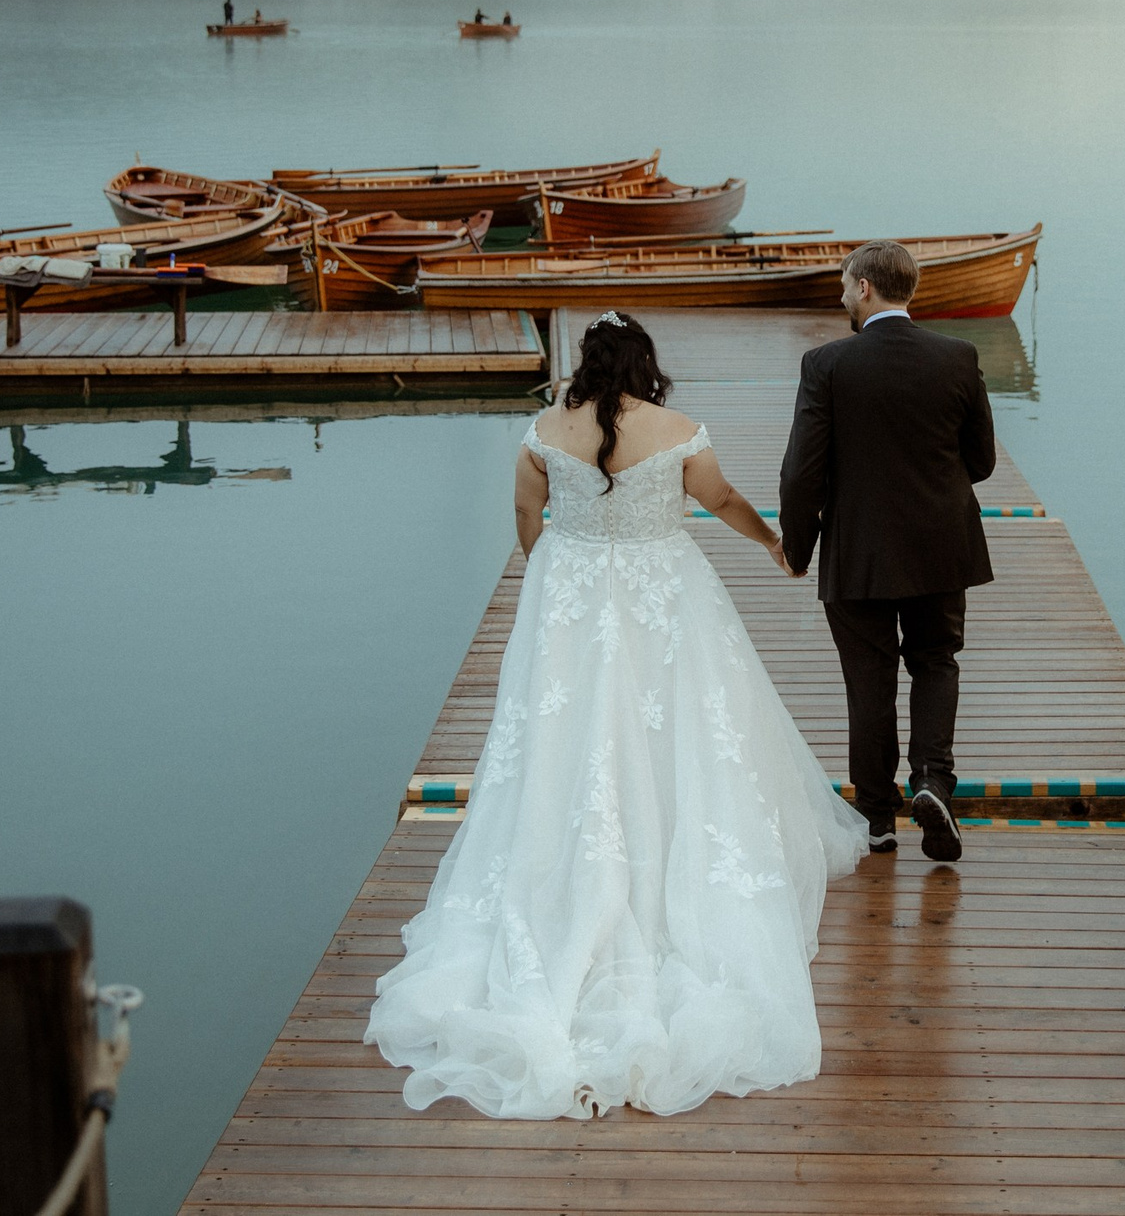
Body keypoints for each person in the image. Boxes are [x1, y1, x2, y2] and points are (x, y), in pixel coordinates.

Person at [366, 312, 864, 1119]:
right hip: (663, 594)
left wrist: (550, 571)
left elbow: (528, 518)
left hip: (570, 596)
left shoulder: (542, 429)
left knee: (569, 736)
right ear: (644, 364)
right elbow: (722, 497)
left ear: (586, 365)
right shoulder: (675, 429)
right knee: (684, 728)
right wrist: (774, 543)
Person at [777, 241, 995, 863]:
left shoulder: (827, 364)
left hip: (858, 551)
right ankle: (931, 781)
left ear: (866, 287)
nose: (843, 296)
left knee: (868, 680)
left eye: (846, 285)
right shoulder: (958, 356)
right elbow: (980, 461)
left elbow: (801, 474)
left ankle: (877, 817)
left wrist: (798, 546)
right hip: (941, 547)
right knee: (935, 662)